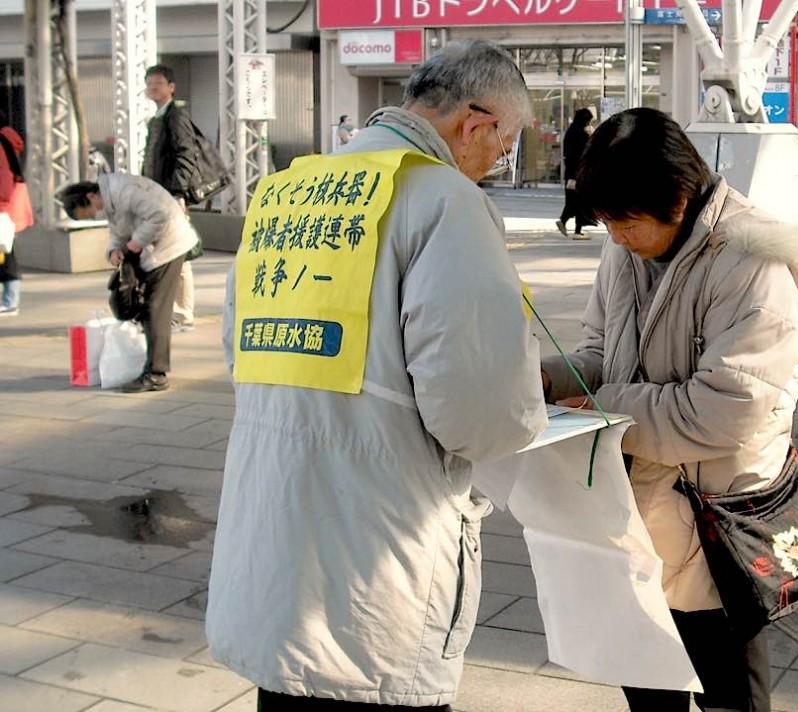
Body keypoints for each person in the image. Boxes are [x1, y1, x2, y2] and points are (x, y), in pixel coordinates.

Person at [205, 39, 548, 709]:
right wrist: (532, 411)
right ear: (473, 124)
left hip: (273, 548)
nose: (493, 164)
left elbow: (238, 352)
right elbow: (478, 413)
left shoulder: (287, 192)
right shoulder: (443, 201)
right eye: (502, 146)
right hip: (377, 560)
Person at [541, 108, 798, 711]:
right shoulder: (627, 249)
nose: (614, 235)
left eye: (624, 220)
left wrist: (603, 409)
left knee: (728, 695)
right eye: (605, 221)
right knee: (648, 688)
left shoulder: (752, 261)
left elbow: (730, 408)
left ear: (676, 197)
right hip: (638, 520)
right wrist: (545, 377)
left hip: (716, 527)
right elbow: (599, 352)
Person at [59, 174, 197, 392]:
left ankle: (156, 373)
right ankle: (148, 364)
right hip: (153, 249)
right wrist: (113, 251)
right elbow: (117, 231)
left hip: (170, 245)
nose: (95, 216)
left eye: (91, 213)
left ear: (91, 196)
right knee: (144, 309)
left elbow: (159, 216)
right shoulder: (109, 199)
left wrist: (135, 242)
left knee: (155, 309)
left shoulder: (124, 191)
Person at [142, 63, 198, 333]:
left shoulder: (175, 115)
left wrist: (177, 193)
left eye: (158, 83)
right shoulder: (158, 118)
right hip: (157, 196)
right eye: (149, 83)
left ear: (171, 87)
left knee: (179, 253)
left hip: (170, 196)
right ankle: (173, 311)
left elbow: (186, 154)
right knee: (166, 253)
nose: (153, 87)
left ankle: (183, 314)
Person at [0, 125, 32, 316]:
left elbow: (3, 178)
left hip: (4, 207)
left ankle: (10, 301)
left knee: (5, 254)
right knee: (5, 253)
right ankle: (10, 300)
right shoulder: (5, 142)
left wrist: (2, 205)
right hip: (7, 206)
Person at [555, 107, 594, 239]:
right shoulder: (582, 135)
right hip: (578, 174)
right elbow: (586, 152)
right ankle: (571, 226)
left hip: (571, 173)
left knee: (574, 201)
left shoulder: (570, 132)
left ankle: (573, 227)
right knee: (578, 201)